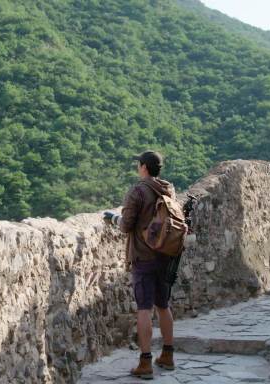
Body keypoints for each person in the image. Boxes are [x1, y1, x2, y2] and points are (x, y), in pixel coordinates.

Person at [103, 151, 176, 380]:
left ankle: (145, 362)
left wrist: (113, 218)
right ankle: (167, 355)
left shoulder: (137, 191)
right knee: (163, 305)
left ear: (143, 167)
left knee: (144, 308)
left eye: (138, 165)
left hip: (143, 257)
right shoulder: (168, 189)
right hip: (165, 254)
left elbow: (126, 226)